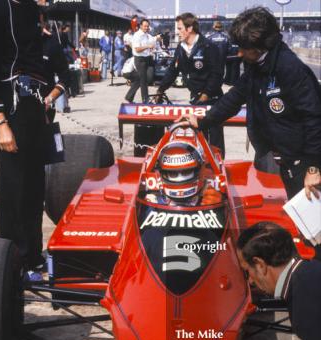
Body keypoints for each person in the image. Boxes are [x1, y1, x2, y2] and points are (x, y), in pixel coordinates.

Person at [184, 7, 321, 204]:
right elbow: (234, 97)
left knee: (310, 226)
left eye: (242, 48)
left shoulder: (290, 69)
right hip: (278, 156)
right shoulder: (256, 66)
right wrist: (203, 122)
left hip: (303, 163)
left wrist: (313, 168)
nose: (239, 53)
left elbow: (314, 119)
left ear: (259, 47)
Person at [0, 0, 56, 280]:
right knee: (15, 187)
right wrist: (0, 120)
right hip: (11, 107)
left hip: (35, 106)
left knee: (36, 186)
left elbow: (38, 61)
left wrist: (46, 105)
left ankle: (33, 257)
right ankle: (13, 262)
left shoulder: (31, 10)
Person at [156, 13, 224, 155]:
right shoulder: (181, 48)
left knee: (215, 142)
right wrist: (160, 90)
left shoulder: (208, 46)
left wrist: (206, 94)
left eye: (180, 28)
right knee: (200, 139)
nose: (177, 32)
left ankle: (219, 171)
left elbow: (217, 74)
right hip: (195, 99)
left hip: (213, 100)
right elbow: (172, 71)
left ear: (190, 28)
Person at [144, 125, 223, 206]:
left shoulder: (210, 191)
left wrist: (216, 206)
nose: (180, 178)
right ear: (163, 174)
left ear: (199, 171)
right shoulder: (152, 199)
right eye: (173, 174)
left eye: (186, 172)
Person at [125, 19, 159, 103]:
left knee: (140, 79)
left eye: (147, 26)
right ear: (140, 26)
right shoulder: (137, 35)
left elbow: (153, 40)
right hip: (139, 59)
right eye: (145, 26)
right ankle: (145, 99)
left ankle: (129, 97)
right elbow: (137, 49)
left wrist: (158, 38)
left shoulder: (147, 35)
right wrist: (147, 46)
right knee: (144, 79)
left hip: (147, 58)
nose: (146, 28)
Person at [42, 22, 70, 122]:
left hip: (45, 106)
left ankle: (62, 107)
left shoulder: (51, 43)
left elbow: (65, 76)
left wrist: (50, 99)